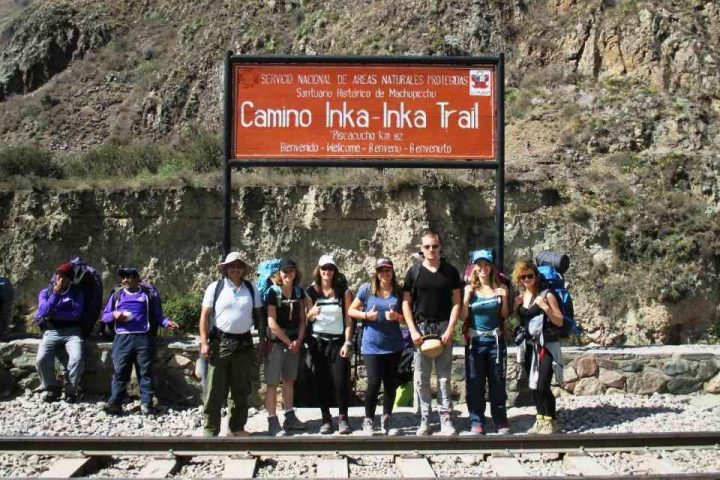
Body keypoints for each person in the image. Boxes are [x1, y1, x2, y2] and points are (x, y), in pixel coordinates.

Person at [402, 230, 462, 436]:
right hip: (421, 329)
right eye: (427, 247)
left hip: (443, 327)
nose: (431, 250)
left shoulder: (450, 272)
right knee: (421, 378)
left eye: (434, 246)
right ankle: (425, 419)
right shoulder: (414, 272)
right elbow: (406, 303)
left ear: (440, 247)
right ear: (421, 249)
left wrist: (451, 329)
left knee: (444, 377)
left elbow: (457, 302)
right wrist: (412, 330)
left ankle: (446, 418)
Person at [200, 252, 264, 437]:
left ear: (243, 269)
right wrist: (204, 343)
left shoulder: (251, 288)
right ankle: (210, 430)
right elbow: (204, 317)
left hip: (243, 344)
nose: (235, 268)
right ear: (226, 268)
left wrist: (262, 339)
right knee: (214, 389)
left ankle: (236, 428)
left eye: (239, 265)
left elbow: (259, 316)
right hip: (220, 343)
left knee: (241, 389)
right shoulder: (215, 287)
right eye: (232, 265)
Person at [101, 267, 178, 415]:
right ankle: (115, 403)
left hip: (144, 337)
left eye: (129, 277)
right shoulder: (117, 295)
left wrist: (167, 322)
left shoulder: (148, 295)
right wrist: (115, 315)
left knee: (145, 372)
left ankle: (147, 404)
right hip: (122, 338)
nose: (125, 280)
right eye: (123, 278)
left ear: (137, 278)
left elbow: (157, 316)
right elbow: (105, 316)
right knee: (120, 371)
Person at [348, 257, 404, 436]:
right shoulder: (367, 289)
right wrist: (366, 315)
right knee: (373, 383)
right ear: (376, 273)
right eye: (381, 270)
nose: (384, 274)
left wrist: (396, 317)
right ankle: (369, 419)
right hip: (371, 345)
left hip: (393, 345)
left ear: (392, 271)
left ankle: (387, 418)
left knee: (390, 383)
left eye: (387, 270)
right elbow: (350, 310)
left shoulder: (399, 292)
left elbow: (407, 317)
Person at [512, 259, 565, 434]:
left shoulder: (546, 295)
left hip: (546, 345)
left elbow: (559, 321)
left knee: (543, 384)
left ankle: (551, 420)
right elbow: (522, 321)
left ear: (536, 276)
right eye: (522, 277)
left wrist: (546, 308)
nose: (526, 280)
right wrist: (516, 307)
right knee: (534, 385)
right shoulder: (521, 296)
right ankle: (540, 419)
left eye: (530, 276)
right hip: (529, 346)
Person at [461, 249, 510, 434]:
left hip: (495, 343)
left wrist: (504, 298)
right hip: (475, 343)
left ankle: (500, 420)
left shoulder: (500, 288)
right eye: (479, 265)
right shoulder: (470, 290)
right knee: (475, 384)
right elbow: (463, 316)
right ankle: (476, 420)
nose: (483, 268)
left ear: (491, 267)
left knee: (498, 382)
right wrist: (466, 297)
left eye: (486, 264)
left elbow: (505, 315)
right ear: (474, 267)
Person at [305, 254, 354, 434]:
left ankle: (343, 418)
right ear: (319, 270)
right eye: (324, 268)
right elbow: (305, 318)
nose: (327, 272)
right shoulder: (310, 292)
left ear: (335, 271)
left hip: (338, 342)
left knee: (341, 381)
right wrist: (311, 313)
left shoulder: (343, 291)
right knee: (321, 381)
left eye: (330, 268)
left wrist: (348, 342)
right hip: (318, 342)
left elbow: (349, 319)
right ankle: (326, 418)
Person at [264, 258, 307, 436]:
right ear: (279, 273)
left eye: (291, 270)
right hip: (276, 344)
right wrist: (291, 343)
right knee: (272, 382)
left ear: (295, 273)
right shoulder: (272, 293)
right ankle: (272, 420)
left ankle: (289, 416)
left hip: (293, 343)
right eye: (285, 271)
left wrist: (299, 339)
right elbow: (272, 322)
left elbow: (303, 320)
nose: (288, 274)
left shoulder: (299, 292)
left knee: (289, 380)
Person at [34, 262, 85, 403]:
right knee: (41, 359)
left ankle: (71, 389)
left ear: (70, 279)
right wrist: (56, 294)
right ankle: (51, 387)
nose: (60, 280)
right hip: (52, 331)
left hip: (72, 331)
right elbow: (43, 312)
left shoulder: (76, 292)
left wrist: (54, 313)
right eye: (58, 276)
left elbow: (76, 314)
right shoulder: (46, 292)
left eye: (64, 277)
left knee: (77, 357)